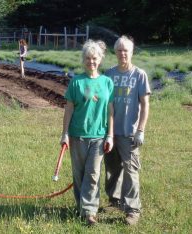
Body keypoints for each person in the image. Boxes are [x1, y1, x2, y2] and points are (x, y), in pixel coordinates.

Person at [60, 39, 114, 226]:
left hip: (99, 136)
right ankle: (80, 207)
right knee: (79, 174)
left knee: (93, 174)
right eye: (88, 58)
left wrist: (110, 135)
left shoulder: (107, 82)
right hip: (77, 136)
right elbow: (68, 109)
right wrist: (64, 133)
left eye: (95, 58)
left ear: (100, 60)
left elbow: (110, 111)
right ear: (84, 60)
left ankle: (90, 212)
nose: (92, 61)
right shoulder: (76, 82)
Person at [104, 35, 151, 225]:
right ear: (115, 53)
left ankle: (133, 209)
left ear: (131, 52)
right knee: (112, 168)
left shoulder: (139, 75)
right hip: (111, 132)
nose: (123, 53)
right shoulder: (109, 75)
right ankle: (115, 200)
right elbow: (106, 104)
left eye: (126, 50)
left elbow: (145, 105)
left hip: (129, 132)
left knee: (131, 170)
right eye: (119, 50)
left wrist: (141, 130)